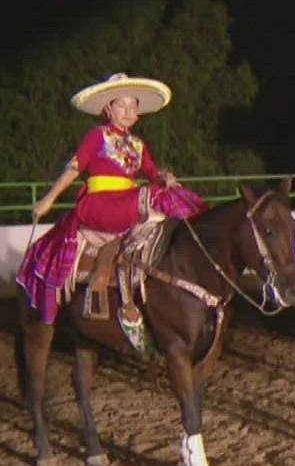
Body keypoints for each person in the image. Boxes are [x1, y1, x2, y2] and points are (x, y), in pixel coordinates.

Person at [16, 73, 208, 324]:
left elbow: (151, 173)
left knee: (171, 191)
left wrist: (164, 176)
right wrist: (49, 199)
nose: (128, 111)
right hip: (101, 202)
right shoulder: (97, 135)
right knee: (154, 194)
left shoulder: (138, 144)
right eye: (121, 105)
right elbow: (75, 167)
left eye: (133, 106)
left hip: (128, 200)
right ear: (108, 108)